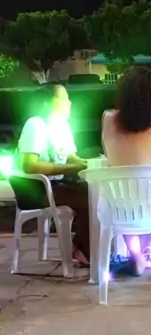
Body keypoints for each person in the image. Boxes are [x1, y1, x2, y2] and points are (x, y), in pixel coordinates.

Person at [101, 66, 151, 275]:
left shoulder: (108, 118)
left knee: (126, 200)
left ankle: (137, 257)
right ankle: (150, 251)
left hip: (117, 204)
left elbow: (107, 152)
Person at [15, 83, 90, 266]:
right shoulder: (36, 125)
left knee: (95, 192)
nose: (69, 103)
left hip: (57, 184)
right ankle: (86, 251)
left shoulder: (62, 126)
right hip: (37, 189)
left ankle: (82, 247)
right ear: (47, 102)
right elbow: (29, 165)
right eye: (63, 98)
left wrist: (85, 163)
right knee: (89, 198)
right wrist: (68, 168)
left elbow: (70, 156)